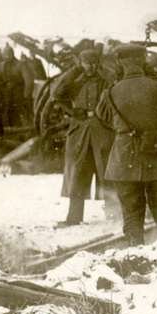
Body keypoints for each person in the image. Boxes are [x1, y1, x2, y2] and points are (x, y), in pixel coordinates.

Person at [102, 44, 157, 245]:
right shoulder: (155, 84)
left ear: (120, 63)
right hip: (155, 156)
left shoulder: (112, 90)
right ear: (143, 61)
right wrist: (156, 79)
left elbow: (103, 117)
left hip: (124, 158)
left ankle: (135, 253)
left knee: (131, 214)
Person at [53, 49, 117, 226]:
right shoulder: (75, 81)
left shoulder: (105, 80)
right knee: (78, 171)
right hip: (79, 131)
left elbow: (115, 85)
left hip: (103, 130)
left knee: (107, 170)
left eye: (94, 63)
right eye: (87, 63)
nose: (91, 67)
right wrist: (72, 111)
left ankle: (113, 214)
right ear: (80, 63)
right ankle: (74, 217)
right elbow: (57, 94)